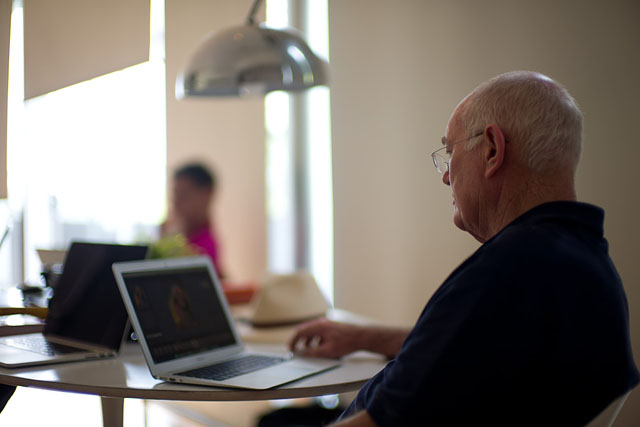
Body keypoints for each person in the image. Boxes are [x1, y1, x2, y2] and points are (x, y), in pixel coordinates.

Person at [289, 71, 639, 426]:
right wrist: (364, 337)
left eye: (450, 151)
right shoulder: (581, 259)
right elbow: (470, 347)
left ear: (492, 150)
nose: (445, 175)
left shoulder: (509, 270)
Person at [161, 163, 225, 277]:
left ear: (206, 194)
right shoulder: (170, 234)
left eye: (183, 195)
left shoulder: (204, 247)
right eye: (175, 195)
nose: (176, 203)